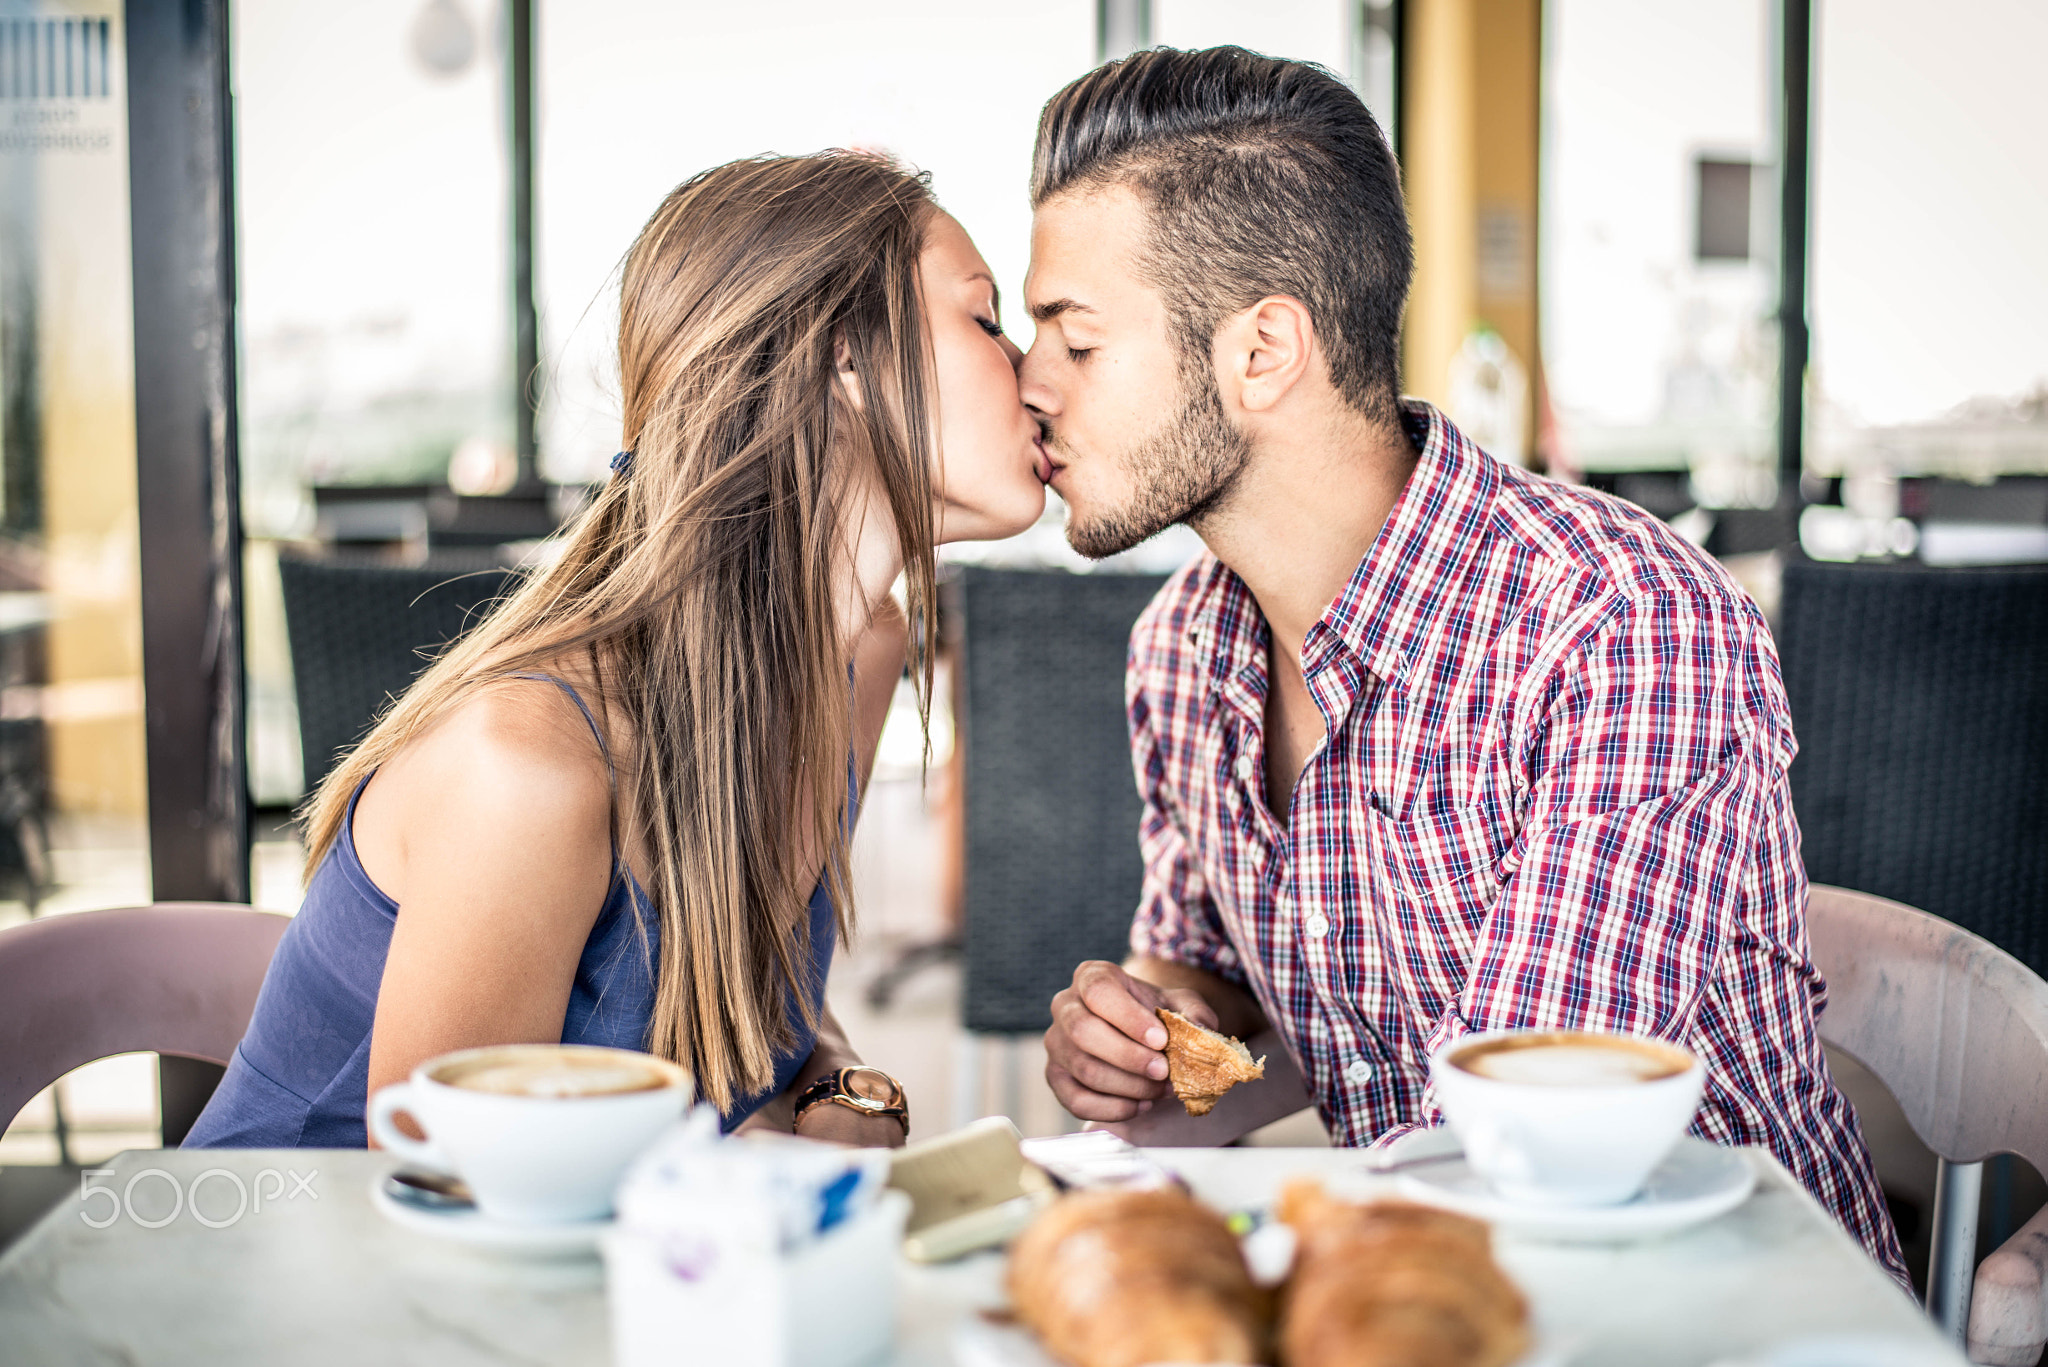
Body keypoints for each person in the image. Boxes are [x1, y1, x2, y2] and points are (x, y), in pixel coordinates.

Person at [1027, 47, 1907, 1281]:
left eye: (1073, 340)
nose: (1030, 387)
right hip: (1425, 1289)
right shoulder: (1180, 646)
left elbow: (1514, 1147)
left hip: (1711, 1308)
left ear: (1262, 350)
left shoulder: (1615, 624)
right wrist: (1149, 1037)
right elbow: (1213, 996)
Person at [187, 152, 1049, 1150]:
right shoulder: (532, 765)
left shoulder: (858, 654)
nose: (1032, 370)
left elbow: (742, 998)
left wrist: (827, 1081)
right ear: (842, 355)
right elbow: (441, 1211)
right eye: (985, 319)